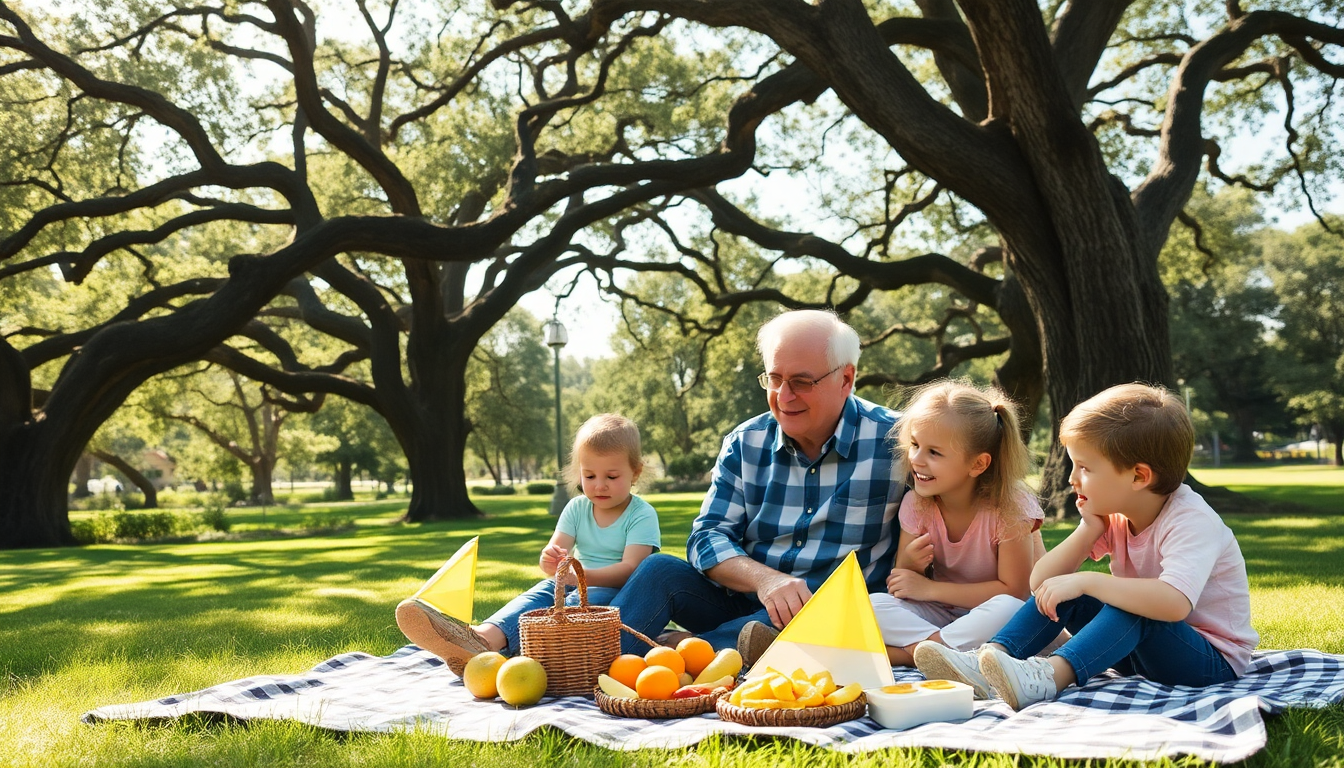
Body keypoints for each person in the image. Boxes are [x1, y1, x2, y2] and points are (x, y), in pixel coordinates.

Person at [914, 383, 1258, 710]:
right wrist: (1088, 528)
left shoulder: (1191, 521)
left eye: (1085, 467)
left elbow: (1173, 605)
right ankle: (990, 660)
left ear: (1138, 476)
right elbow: (1041, 582)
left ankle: (1047, 678)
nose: (1071, 479)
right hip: (1136, 654)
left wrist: (1090, 581)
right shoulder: (1116, 515)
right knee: (1068, 590)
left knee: (1133, 603)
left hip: (1208, 663)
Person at [605, 309, 903, 658]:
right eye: (775, 379)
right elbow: (707, 537)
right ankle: (580, 664)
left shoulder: (898, 443)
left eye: (802, 382)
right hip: (741, 600)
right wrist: (766, 581)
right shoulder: (745, 441)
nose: (784, 396)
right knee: (658, 570)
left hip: (829, 615)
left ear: (846, 379)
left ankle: (692, 650)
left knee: (813, 605)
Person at [396, 413, 660, 675]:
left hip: (616, 596)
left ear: (635, 472)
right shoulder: (577, 508)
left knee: (566, 609)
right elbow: (555, 556)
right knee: (537, 596)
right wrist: (549, 560)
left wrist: (578, 578)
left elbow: (631, 570)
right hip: (570, 584)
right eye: (589, 476)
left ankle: (527, 651)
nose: (599, 486)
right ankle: (481, 640)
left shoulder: (641, 514)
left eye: (611, 477)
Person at [871, 380, 1047, 680]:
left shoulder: (1011, 507)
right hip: (945, 617)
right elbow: (903, 584)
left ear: (978, 464)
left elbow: (1015, 592)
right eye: (915, 445)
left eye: (934, 453)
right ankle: (949, 655)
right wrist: (909, 566)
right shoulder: (916, 504)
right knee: (873, 604)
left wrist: (931, 589)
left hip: (1004, 619)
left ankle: (908, 655)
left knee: (1007, 607)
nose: (916, 459)